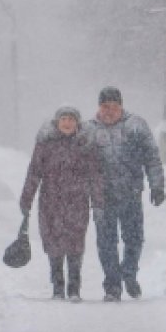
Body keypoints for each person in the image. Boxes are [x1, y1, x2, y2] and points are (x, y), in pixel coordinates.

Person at [88, 86, 165, 301]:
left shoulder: (136, 126)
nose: (109, 111)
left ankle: (129, 274)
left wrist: (157, 185)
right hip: (102, 197)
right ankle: (112, 285)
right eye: (105, 106)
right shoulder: (89, 130)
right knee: (106, 242)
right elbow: (79, 164)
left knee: (134, 239)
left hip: (131, 193)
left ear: (121, 106)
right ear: (99, 107)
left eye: (114, 106)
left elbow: (151, 157)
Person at [19, 106, 104, 301]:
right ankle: (58, 287)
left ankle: (74, 288)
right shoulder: (46, 144)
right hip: (51, 202)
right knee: (53, 243)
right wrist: (26, 199)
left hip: (78, 201)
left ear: (77, 123)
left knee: (75, 243)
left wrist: (98, 202)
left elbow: (95, 175)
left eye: (71, 120)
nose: (67, 123)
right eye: (64, 119)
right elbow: (34, 172)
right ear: (57, 122)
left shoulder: (85, 145)